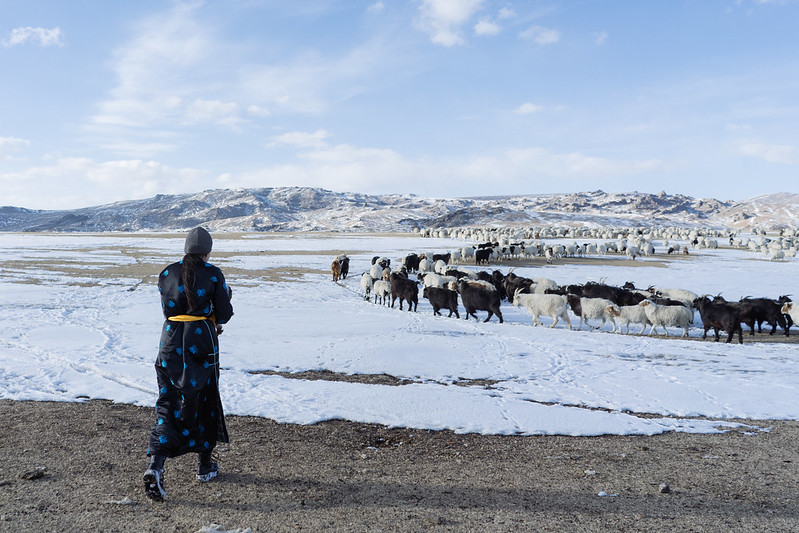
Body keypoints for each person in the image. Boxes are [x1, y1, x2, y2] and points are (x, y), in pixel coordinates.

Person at [143, 227, 234, 502]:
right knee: (204, 399)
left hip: (169, 341)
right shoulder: (213, 273)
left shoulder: (167, 273)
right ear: (207, 251)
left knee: (169, 400)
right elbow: (225, 315)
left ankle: (155, 466)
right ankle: (204, 466)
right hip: (201, 342)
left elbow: (169, 308)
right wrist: (226, 296)